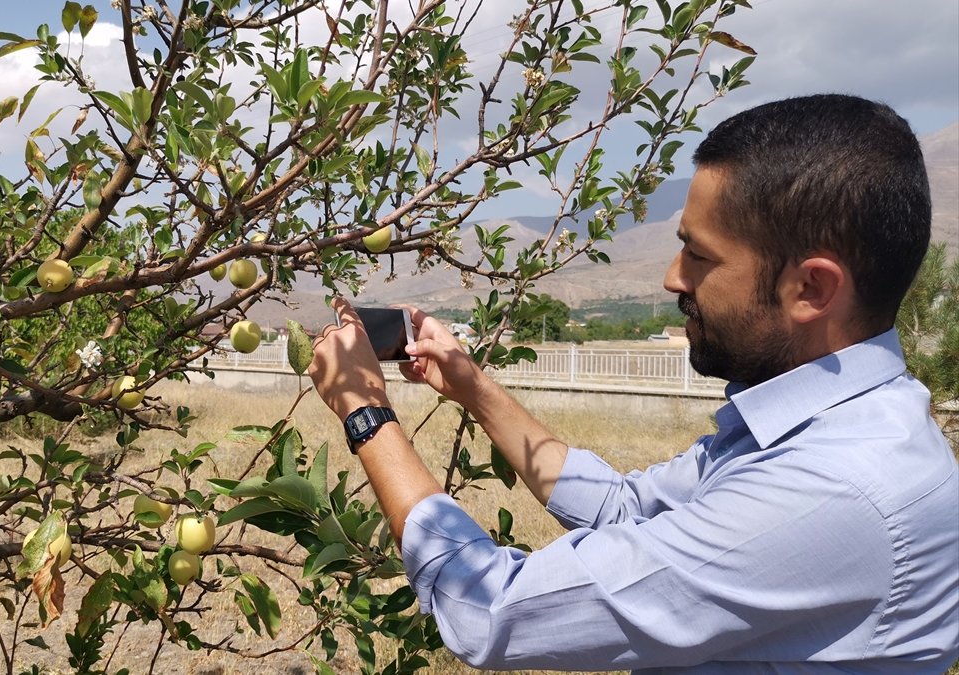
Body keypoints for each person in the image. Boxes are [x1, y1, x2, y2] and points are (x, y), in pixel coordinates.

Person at [307, 94, 959, 673]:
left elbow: (490, 608)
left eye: (699, 255)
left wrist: (367, 412)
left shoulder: (831, 489)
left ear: (811, 287)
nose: (673, 276)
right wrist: (472, 386)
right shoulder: (826, 430)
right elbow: (622, 507)